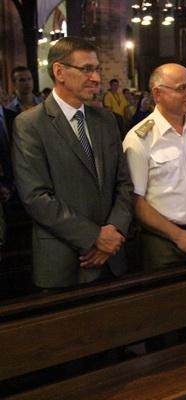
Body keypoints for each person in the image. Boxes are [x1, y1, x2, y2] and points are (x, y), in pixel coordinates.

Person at [11, 37, 133, 288]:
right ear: (59, 72)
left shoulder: (107, 120)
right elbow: (36, 198)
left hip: (112, 258)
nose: (96, 78)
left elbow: (124, 184)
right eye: (87, 69)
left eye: (97, 69)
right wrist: (94, 237)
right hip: (64, 260)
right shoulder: (30, 124)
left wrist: (114, 231)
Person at [123, 63, 186, 270]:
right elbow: (135, 201)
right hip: (163, 242)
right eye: (181, 88)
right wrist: (178, 235)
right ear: (157, 94)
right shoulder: (140, 138)